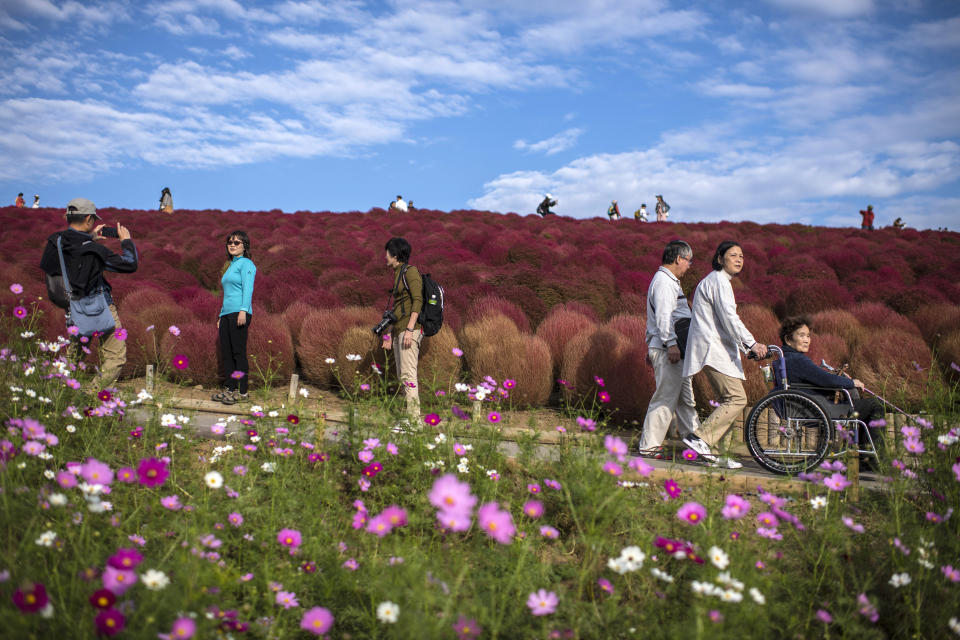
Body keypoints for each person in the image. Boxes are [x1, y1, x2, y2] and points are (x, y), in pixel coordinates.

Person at [682, 241, 768, 469]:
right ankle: (699, 438)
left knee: (728, 402)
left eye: (741, 255)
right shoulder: (718, 281)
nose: (739, 259)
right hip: (713, 350)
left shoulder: (718, 281)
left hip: (717, 350)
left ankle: (718, 454)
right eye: (733, 255)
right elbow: (730, 318)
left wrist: (745, 347)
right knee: (737, 399)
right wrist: (751, 343)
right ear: (720, 258)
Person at [39, 198, 138, 390]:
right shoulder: (93, 250)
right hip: (100, 307)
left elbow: (62, 261)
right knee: (116, 356)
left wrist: (89, 237)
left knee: (75, 356)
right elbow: (130, 264)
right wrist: (126, 241)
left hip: (72, 306)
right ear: (88, 219)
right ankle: (92, 394)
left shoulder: (55, 241)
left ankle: (59, 394)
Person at [638, 241, 712, 459]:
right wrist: (669, 344)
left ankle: (697, 444)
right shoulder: (664, 282)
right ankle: (649, 446)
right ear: (679, 258)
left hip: (671, 348)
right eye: (689, 261)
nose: (689, 266)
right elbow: (663, 316)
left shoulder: (668, 281)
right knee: (665, 398)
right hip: (670, 349)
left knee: (685, 401)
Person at [776, 316, 885, 458]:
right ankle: (873, 459)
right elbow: (826, 380)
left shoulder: (786, 359)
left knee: (864, 407)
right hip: (816, 409)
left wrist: (840, 379)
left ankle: (865, 457)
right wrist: (852, 383)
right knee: (875, 405)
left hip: (803, 406)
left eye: (808, 336)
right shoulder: (798, 360)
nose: (807, 340)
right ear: (788, 339)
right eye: (801, 335)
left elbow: (817, 378)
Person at [212, 231, 256, 405]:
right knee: (227, 354)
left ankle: (242, 392)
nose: (232, 244)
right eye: (230, 242)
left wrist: (243, 310)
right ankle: (230, 388)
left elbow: (248, 289)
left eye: (237, 242)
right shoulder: (231, 265)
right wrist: (221, 315)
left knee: (238, 353)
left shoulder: (247, 264)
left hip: (240, 312)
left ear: (244, 246)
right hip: (226, 314)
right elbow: (227, 295)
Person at [382, 237, 423, 419]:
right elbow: (398, 308)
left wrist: (409, 329)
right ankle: (409, 419)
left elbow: (418, 300)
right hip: (399, 329)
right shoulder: (398, 273)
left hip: (410, 330)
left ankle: (415, 423)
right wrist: (390, 333)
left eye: (387, 252)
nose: (385, 256)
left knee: (408, 375)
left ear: (395, 255)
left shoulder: (411, 272)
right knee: (402, 376)